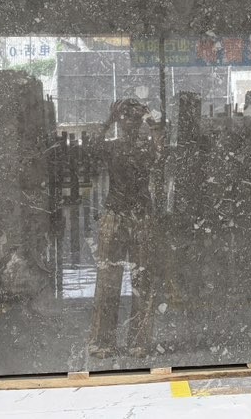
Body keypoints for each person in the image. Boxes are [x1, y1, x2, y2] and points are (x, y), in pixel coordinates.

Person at [88, 99, 163, 358]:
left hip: (140, 216)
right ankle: (103, 341)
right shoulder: (113, 147)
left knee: (142, 279)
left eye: (134, 117)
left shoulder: (146, 149)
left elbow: (161, 153)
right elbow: (92, 146)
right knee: (108, 280)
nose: (129, 122)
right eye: (125, 117)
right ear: (120, 121)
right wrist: (109, 120)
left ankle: (139, 341)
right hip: (116, 214)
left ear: (139, 122)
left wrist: (153, 124)